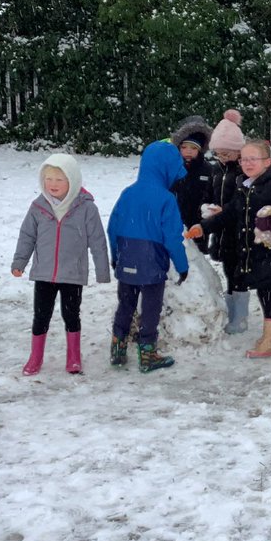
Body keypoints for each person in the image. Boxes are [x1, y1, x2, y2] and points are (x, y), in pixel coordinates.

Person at [186, 138, 271, 359]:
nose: (247, 163)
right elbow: (229, 214)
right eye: (244, 159)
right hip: (253, 252)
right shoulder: (244, 186)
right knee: (269, 290)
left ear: (267, 162)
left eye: (253, 159)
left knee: (266, 290)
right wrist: (203, 227)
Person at [11, 153, 111, 376]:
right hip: (44, 273)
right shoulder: (38, 207)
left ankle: (74, 357)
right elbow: (27, 236)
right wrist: (20, 262)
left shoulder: (86, 208)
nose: (53, 184)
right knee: (41, 316)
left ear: (72, 181)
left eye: (59, 179)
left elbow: (98, 241)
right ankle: (35, 357)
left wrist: (102, 271)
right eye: (48, 179)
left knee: (71, 314)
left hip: (72, 273)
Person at [106, 141, 190, 373]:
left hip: (127, 260)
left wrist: (117, 257)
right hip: (152, 264)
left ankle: (118, 349)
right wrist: (182, 266)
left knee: (126, 304)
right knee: (151, 309)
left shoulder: (128, 193)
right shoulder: (166, 199)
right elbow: (173, 238)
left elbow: (112, 228)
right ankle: (148, 354)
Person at [206, 109, 250, 334]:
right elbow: (211, 195)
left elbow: (239, 203)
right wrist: (209, 207)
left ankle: (240, 317)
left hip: (238, 231)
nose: (222, 158)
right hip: (221, 232)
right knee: (227, 269)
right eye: (219, 154)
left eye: (227, 153)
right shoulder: (216, 170)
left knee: (238, 272)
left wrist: (223, 211)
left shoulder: (244, 173)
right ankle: (231, 310)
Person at [171, 115, 214, 254]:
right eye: (184, 147)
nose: (188, 151)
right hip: (174, 220)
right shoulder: (172, 168)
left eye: (193, 148)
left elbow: (212, 194)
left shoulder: (208, 170)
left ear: (200, 150)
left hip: (197, 223)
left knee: (197, 258)